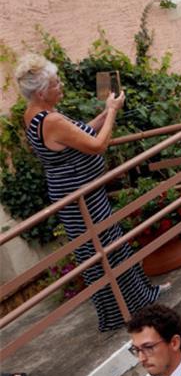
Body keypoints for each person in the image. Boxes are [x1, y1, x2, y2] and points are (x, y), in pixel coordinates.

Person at [17, 55, 161, 332]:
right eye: (56, 83)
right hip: (80, 197)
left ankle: (138, 304)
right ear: (41, 92)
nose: (61, 87)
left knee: (107, 247)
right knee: (103, 251)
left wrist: (107, 111)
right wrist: (113, 112)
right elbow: (96, 145)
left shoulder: (35, 114)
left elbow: (81, 133)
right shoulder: (51, 120)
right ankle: (124, 313)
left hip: (77, 193)